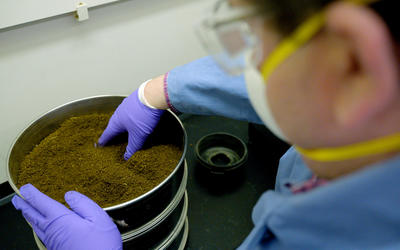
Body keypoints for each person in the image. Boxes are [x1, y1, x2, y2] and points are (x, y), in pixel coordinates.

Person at [11, 0, 400, 249]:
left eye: (253, 39)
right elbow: (307, 85)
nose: (248, 65)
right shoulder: (357, 138)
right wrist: (158, 91)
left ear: (355, 62)